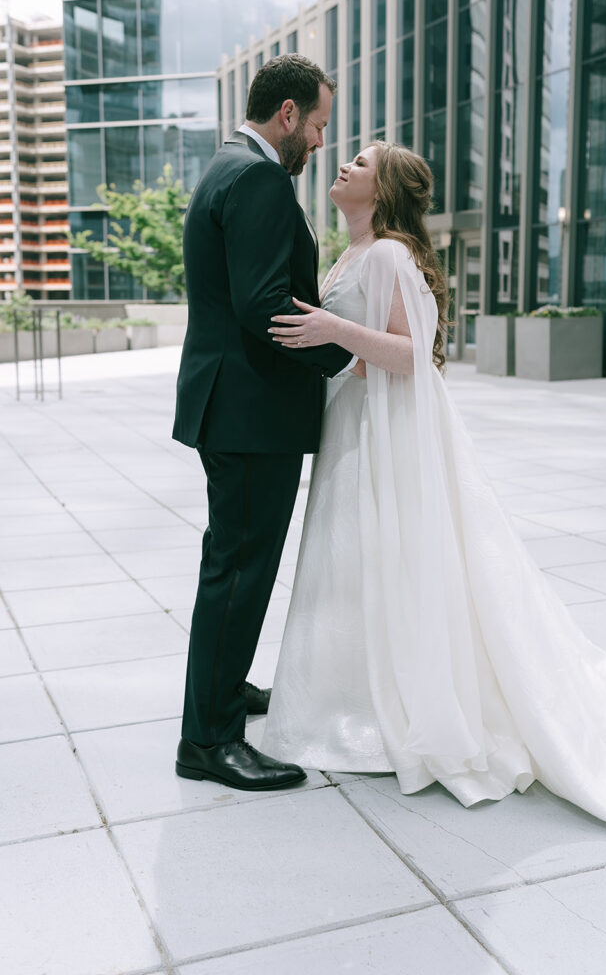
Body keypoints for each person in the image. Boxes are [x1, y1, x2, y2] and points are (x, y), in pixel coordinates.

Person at [261, 141, 606, 840]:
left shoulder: (390, 254)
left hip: (377, 435)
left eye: (360, 163)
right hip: (350, 425)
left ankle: (384, 704)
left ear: (385, 189)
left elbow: (409, 356)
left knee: (382, 557)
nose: (343, 166)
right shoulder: (349, 251)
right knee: (354, 563)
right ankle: (348, 693)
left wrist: (333, 328)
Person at [172, 55, 355, 792]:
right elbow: (262, 304)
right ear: (286, 114)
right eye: (315, 126)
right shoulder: (256, 178)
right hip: (250, 413)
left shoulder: (226, 165)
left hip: (236, 408)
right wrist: (349, 357)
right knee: (239, 572)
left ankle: (223, 689)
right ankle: (208, 741)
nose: (318, 143)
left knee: (235, 568)